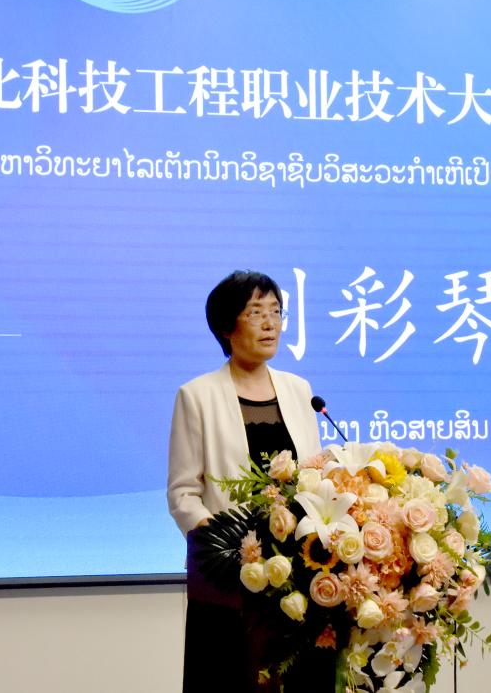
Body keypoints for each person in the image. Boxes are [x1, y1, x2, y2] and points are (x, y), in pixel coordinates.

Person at [168, 270, 325, 692]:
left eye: (276, 311)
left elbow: (315, 476)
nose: (270, 323)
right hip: (231, 581)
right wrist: (224, 546)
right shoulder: (197, 396)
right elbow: (183, 493)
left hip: (298, 574)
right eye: (256, 312)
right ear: (226, 326)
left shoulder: (299, 390)